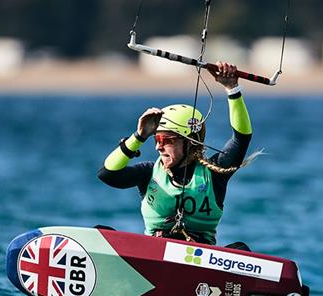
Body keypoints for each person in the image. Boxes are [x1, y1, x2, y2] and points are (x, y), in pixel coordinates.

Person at [98, 61, 253, 249]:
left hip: (200, 260)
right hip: (154, 255)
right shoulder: (148, 172)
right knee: (100, 232)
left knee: (240, 249)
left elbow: (241, 138)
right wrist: (138, 137)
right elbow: (107, 174)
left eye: (166, 141)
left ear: (190, 142)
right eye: (157, 140)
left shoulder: (214, 172)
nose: (158, 148)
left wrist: (232, 89)